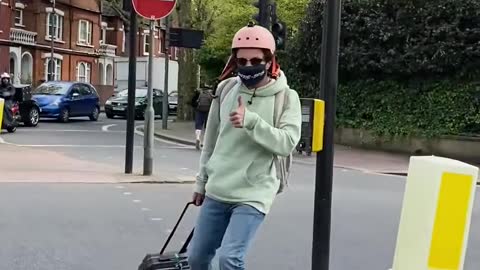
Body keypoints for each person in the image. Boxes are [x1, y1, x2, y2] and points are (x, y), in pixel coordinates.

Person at [187, 23, 302, 270]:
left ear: (270, 60)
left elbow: (287, 143)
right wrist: (201, 182)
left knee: (230, 259)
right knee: (196, 258)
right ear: (234, 61)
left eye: (256, 60)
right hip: (218, 189)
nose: (249, 67)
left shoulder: (286, 97)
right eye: (242, 61)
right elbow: (211, 141)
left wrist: (251, 121)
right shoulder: (226, 90)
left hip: (254, 193)